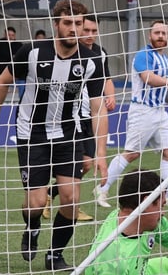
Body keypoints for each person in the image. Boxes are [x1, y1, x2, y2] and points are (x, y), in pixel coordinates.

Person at [0, 0, 109, 271]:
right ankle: (33, 226)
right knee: (36, 203)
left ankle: (55, 255)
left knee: (71, 198)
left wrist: (101, 153)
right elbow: (2, 83)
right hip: (32, 134)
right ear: (56, 25)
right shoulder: (31, 52)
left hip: (68, 134)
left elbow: (98, 109)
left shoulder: (91, 61)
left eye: (78, 23)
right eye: (68, 23)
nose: (74, 29)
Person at [94, 20, 168, 208]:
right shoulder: (143, 55)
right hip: (142, 110)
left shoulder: (164, 58)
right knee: (132, 154)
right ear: (150, 35)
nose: (160, 37)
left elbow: (163, 86)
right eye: (157, 33)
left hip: (160, 112)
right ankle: (102, 188)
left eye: (164, 33)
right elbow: (149, 79)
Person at [42, 14, 117, 222]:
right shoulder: (66, 51)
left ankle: (55, 196)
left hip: (90, 116)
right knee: (75, 163)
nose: (91, 35)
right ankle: (56, 199)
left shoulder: (100, 53)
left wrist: (110, 95)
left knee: (86, 164)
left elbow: (106, 78)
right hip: (70, 116)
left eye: (95, 31)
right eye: (87, 30)